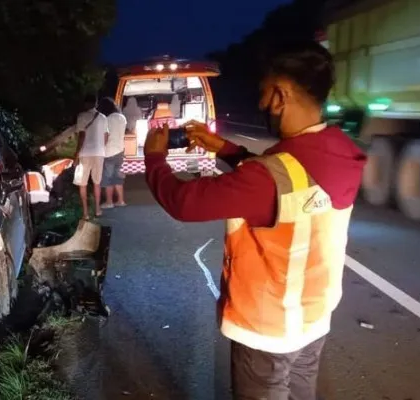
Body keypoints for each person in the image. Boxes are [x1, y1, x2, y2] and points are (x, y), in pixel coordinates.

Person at [143, 40, 366, 399]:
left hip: (267, 328)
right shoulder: (341, 152)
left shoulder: (267, 177)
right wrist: (227, 150)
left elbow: (184, 203)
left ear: (280, 95)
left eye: (264, 95)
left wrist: (154, 159)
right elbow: (288, 176)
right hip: (313, 318)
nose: (262, 105)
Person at [74, 94, 109, 220]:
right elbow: (106, 136)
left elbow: (82, 136)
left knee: (82, 183)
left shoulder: (82, 116)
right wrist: (101, 148)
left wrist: (76, 154)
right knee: (97, 183)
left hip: (85, 153)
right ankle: (98, 210)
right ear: (96, 103)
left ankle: (86, 213)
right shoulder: (103, 117)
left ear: (85, 103)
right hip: (99, 153)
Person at [97, 97, 127, 208]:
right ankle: (121, 201)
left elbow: (105, 136)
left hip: (108, 152)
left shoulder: (106, 119)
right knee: (117, 176)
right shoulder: (122, 117)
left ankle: (109, 202)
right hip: (120, 151)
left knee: (107, 178)